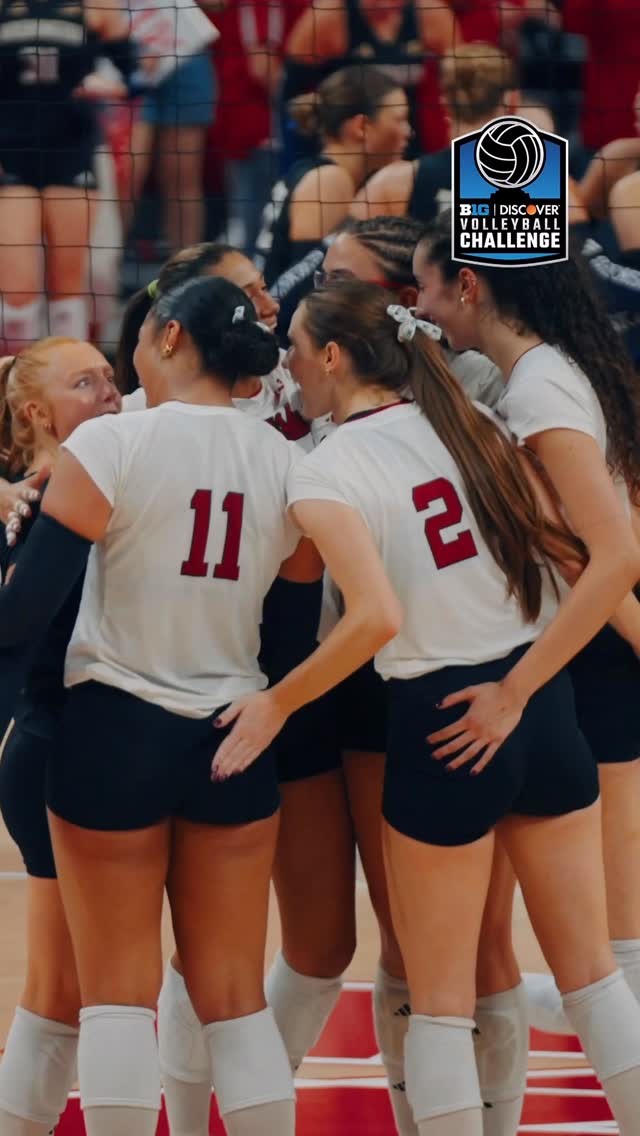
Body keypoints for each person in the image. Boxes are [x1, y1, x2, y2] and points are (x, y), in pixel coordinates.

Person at [211, 279, 640, 1136]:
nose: (286, 366)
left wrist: (276, 703)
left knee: (441, 1005)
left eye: (294, 348)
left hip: (442, 717)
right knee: (594, 980)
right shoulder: (476, 423)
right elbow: (575, 556)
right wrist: (522, 687)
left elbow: (375, 618)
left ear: (333, 359)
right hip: (539, 700)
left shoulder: (323, 468)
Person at [0, 275, 320, 1136]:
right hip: (234, 739)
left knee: (114, 999)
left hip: (113, 733)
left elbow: (25, 614)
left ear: (171, 338)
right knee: (235, 1001)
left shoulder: (113, 446)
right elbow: (288, 645)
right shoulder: (289, 465)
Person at [412, 224, 640, 1113]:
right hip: (588, 654)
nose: (419, 311)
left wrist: (518, 686)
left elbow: (609, 557)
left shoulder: (542, 391)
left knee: (611, 938)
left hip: (595, 662)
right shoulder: (550, 372)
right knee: (599, 933)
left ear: (470, 287)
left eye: (429, 289)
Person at [0, 338, 121, 1136]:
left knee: (83, 989)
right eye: (87, 384)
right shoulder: (36, 502)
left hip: (111, 747)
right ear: (36, 414)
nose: (110, 393)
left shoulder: (118, 466)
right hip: (54, 748)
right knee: (65, 990)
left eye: (113, 377)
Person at [0, 0, 145, 352]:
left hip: (71, 148)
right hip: (9, 151)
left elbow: (137, 76)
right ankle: (12, 393)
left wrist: (114, 86)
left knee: (69, 290)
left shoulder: (96, 6)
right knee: (18, 292)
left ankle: (76, 385)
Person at [352, 43, 584, 226]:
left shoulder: (396, 182)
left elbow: (344, 253)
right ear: (513, 102)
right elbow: (580, 256)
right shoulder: (553, 185)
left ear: (444, 102)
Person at [255, 65, 412, 285]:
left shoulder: (322, 172)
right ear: (361, 126)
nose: (408, 131)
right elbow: (302, 283)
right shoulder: (329, 180)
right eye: (399, 119)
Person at [281, 0, 460, 160]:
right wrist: (302, 162)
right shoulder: (329, 16)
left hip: (404, 145)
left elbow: (462, 82)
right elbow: (291, 95)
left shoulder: (430, 13)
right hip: (346, 149)